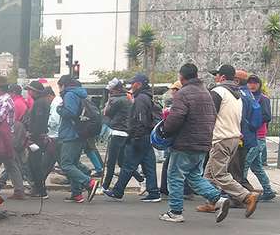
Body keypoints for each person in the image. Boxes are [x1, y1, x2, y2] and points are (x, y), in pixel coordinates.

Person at [159, 63, 230, 223]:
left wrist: (166, 130)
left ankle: (175, 212)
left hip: (185, 142)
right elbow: (213, 116)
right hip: (203, 142)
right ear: (196, 75)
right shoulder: (206, 93)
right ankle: (218, 199)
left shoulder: (183, 94)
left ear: (181, 77)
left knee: (175, 176)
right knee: (193, 176)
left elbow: (175, 118)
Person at [198, 64, 258, 217]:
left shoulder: (218, 91)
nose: (215, 78)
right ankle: (211, 202)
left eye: (216, 75)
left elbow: (208, 116)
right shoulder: (237, 95)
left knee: (219, 174)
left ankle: (246, 196)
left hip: (221, 138)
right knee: (209, 174)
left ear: (223, 77)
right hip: (233, 138)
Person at [104, 73, 161, 202]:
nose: (131, 85)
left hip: (139, 136)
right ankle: (153, 192)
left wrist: (135, 136)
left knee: (128, 165)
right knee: (149, 165)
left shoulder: (140, 99)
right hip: (146, 136)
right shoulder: (146, 97)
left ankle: (118, 191)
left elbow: (139, 119)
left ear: (139, 84)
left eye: (133, 83)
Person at [56, 74, 97, 203]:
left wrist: (59, 109)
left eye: (59, 86)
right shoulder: (80, 94)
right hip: (80, 133)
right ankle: (76, 194)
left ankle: (89, 182)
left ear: (64, 85)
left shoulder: (70, 95)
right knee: (73, 164)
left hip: (71, 134)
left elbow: (70, 112)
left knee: (66, 165)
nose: (59, 90)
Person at [102, 78, 145, 193]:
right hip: (127, 132)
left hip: (117, 131)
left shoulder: (115, 100)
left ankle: (105, 186)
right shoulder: (128, 97)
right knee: (122, 162)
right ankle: (141, 179)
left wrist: (108, 100)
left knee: (111, 162)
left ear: (114, 90)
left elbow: (106, 113)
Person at [243, 75, 276, 201]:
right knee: (256, 167)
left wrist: (253, 122)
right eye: (250, 83)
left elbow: (267, 116)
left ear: (259, 84)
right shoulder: (248, 97)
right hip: (251, 136)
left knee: (244, 164)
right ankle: (268, 190)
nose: (252, 85)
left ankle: (243, 193)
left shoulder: (263, 99)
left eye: (255, 83)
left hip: (258, 136)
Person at [25, 80, 53, 198]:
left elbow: (39, 122)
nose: (28, 92)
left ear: (35, 91)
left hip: (37, 139)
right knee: (32, 164)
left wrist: (32, 136)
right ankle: (37, 189)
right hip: (39, 137)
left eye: (30, 90)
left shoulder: (39, 103)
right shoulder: (41, 102)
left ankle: (41, 191)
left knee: (35, 165)